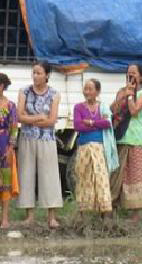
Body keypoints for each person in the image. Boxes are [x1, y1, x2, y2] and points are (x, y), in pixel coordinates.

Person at [17, 61, 62, 229]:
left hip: (47, 139)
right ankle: (29, 216)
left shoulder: (54, 94)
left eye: (39, 73)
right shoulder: (24, 91)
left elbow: (51, 120)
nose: (35, 76)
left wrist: (32, 119)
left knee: (49, 175)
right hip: (27, 138)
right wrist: (38, 118)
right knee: (26, 174)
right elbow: (19, 117)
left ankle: (51, 217)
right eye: (34, 72)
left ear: (47, 75)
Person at [109, 64, 142, 221]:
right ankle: (112, 211)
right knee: (116, 176)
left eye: (134, 74)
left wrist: (130, 95)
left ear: (141, 77)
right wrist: (122, 96)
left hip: (136, 140)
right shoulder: (122, 91)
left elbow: (134, 111)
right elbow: (112, 110)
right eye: (128, 74)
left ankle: (136, 216)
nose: (130, 77)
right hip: (120, 138)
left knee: (135, 177)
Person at [72, 79, 118, 215]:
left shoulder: (103, 107)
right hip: (84, 147)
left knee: (101, 178)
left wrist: (90, 122)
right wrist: (98, 123)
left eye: (90, 89)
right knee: (83, 178)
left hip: (99, 148)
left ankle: (104, 213)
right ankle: (84, 214)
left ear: (97, 91)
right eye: (85, 89)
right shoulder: (78, 107)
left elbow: (108, 123)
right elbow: (78, 126)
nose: (87, 92)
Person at [0, 73, 17, 229]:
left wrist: (10, 148)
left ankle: (4, 219)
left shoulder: (11, 106)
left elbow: (13, 129)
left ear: (3, 86)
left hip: (4, 146)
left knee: (5, 183)